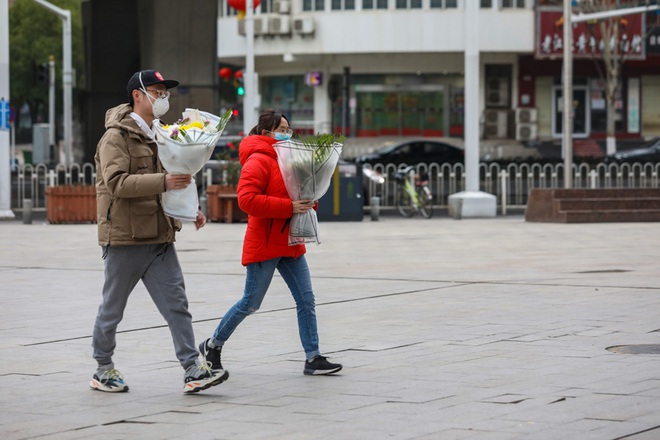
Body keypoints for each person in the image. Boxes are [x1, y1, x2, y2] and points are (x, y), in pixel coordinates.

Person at [91, 69, 228, 394]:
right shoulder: (116, 137)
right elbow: (117, 184)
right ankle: (103, 368)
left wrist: (188, 210)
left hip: (160, 237)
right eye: (157, 91)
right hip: (125, 239)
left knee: (177, 305)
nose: (163, 98)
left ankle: (193, 369)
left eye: (165, 92)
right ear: (137, 95)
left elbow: (174, 181)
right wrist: (163, 181)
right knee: (113, 309)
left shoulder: (165, 134)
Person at [198, 109, 342, 378]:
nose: (287, 133)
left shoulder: (292, 159)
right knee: (250, 303)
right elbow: (247, 200)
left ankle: (313, 357)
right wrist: (290, 207)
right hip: (265, 242)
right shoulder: (258, 160)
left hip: (290, 241)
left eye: (289, 128)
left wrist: (309, 201)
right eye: (282, 128)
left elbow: (301, 194)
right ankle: (213, 345)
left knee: (306, 299)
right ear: (266, 133)